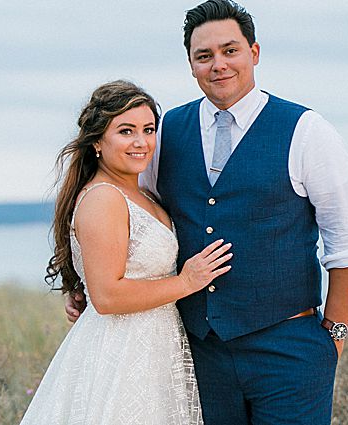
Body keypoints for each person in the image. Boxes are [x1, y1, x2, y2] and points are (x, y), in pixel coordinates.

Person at [64, 2, 348, 423]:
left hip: (289, 351)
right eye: (204, 56)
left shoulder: (307, 131)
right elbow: (134, 217)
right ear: (191, 64)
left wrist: (333, 336)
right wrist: (86, 282)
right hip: (196, 351)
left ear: (254, 53)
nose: (218, 65)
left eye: (230, 51)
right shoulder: (166, 130)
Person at [21, 80, 232, 424]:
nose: (141, 142)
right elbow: (107, 296)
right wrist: (187, 281)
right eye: (126, 130)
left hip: (154, 347)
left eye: (148, 130)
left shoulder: (143, 195)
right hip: (120, 353)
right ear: (97, 142)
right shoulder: (104, 197)